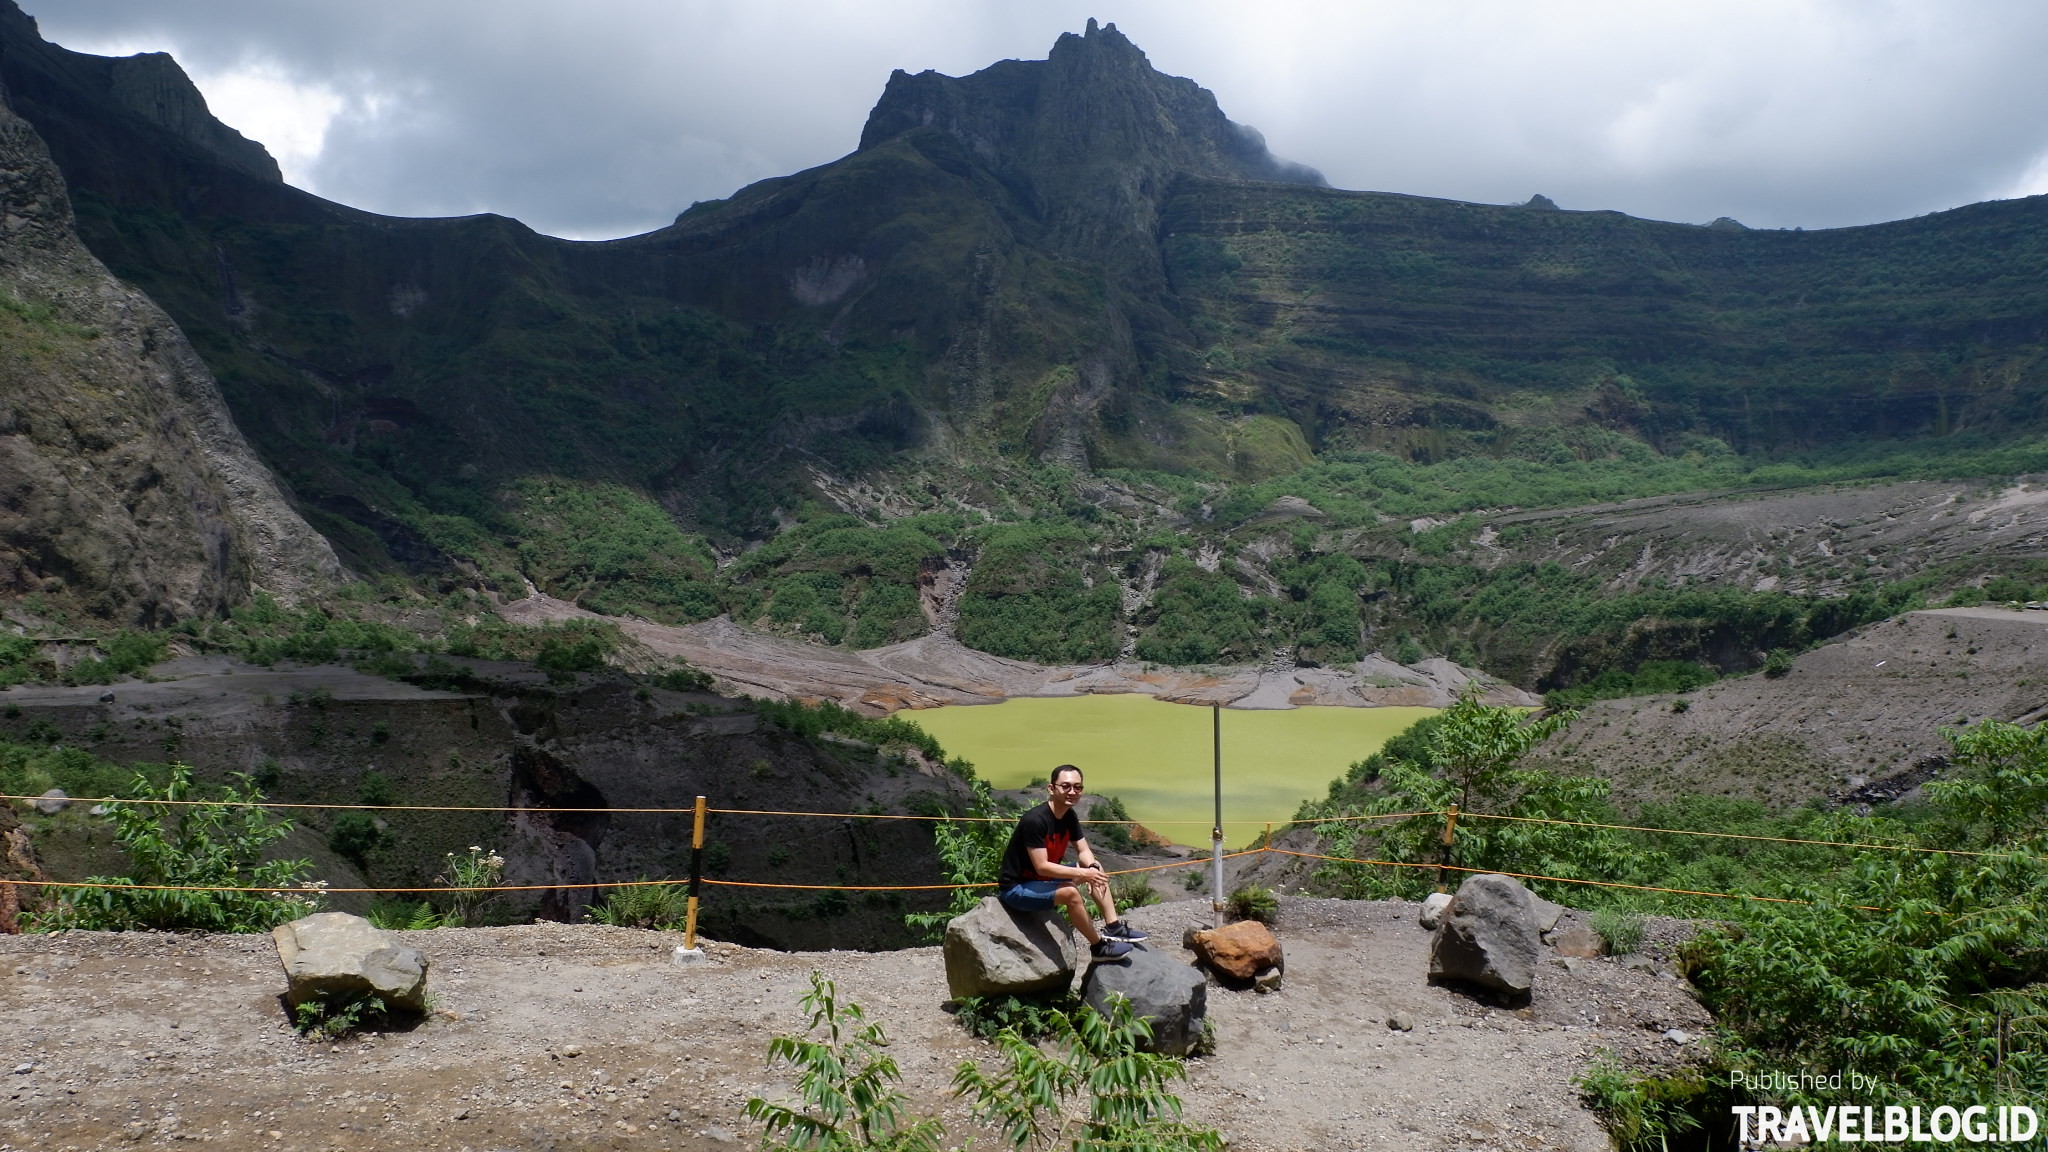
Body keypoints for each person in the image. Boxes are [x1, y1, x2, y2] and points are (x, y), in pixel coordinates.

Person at [996, 764, 1148, 959]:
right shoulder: (1035, 820)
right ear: (1051, 789)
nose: (1072, 792)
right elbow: (1042, 866)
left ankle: (1114, 927)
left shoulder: (1068, 816)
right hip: (1017, 888)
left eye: (1077, 787)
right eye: (1066, 786)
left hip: (1042, 880)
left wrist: (1092, 869)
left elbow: (1083, 850)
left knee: (1096, 866)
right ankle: (1098, 947)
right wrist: (1084, 874)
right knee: (1071, 892)